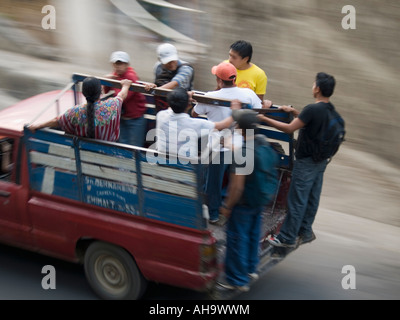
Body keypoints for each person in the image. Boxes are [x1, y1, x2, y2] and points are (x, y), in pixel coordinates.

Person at [257, 72, 337, 247]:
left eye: (313, 84)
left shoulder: (312, 109)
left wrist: (263, 118)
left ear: (317, 89)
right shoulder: (329, 110)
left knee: (297, 199)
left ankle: (286, 237)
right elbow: (308, 121)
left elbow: (288, 129)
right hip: (321, 161)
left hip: (306, 161)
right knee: (312, 197)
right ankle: (305, 231)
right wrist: (294, 112)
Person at [191, 61, 268, 223]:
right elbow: (260, 109)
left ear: (219, 81)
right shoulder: (247, 94)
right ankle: (229, 208)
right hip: (240, 146)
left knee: (213, 183)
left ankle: (213, 214)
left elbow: (194, 113)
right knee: (235, 180)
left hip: (218, 148)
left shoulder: (209, 97)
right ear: (235, 78)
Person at [217, 108, 274, 292]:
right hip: (259, 199)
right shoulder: (262, 143)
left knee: (236, 239)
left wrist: (227, 206)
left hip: (242, 203)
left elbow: (237, 187)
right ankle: (250, 269)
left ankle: (237, 279)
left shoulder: (241, 154)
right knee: (252, 234)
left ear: (240, 129)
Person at [29, 77, 132, 142]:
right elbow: (122, 95)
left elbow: (57, 121)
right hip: (110, 157)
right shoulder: (112, 105)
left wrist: (39, 125)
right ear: (100, 92)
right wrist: (126, 85)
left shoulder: (75, 112)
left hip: (82, 159)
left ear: (83, 93)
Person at [155, 87, 240, 159]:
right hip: (186, 172)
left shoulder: (161, 116)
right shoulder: (194, 124)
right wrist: (235, 112)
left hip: (161, 168)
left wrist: (183, 98)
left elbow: (172, 106)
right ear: (188, 105)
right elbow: (224, 125)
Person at [104, 51, 147, 147]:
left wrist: (115, 82)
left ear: (126, 64)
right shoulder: (115, 74)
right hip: (122, 117)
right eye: (115, 64)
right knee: (123, 145)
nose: (117, 67)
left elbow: (123, 97)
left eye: (120, 64)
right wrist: (107, 80)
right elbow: (106, 91)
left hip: (135, 119)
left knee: (135, 147)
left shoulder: (130, 76)